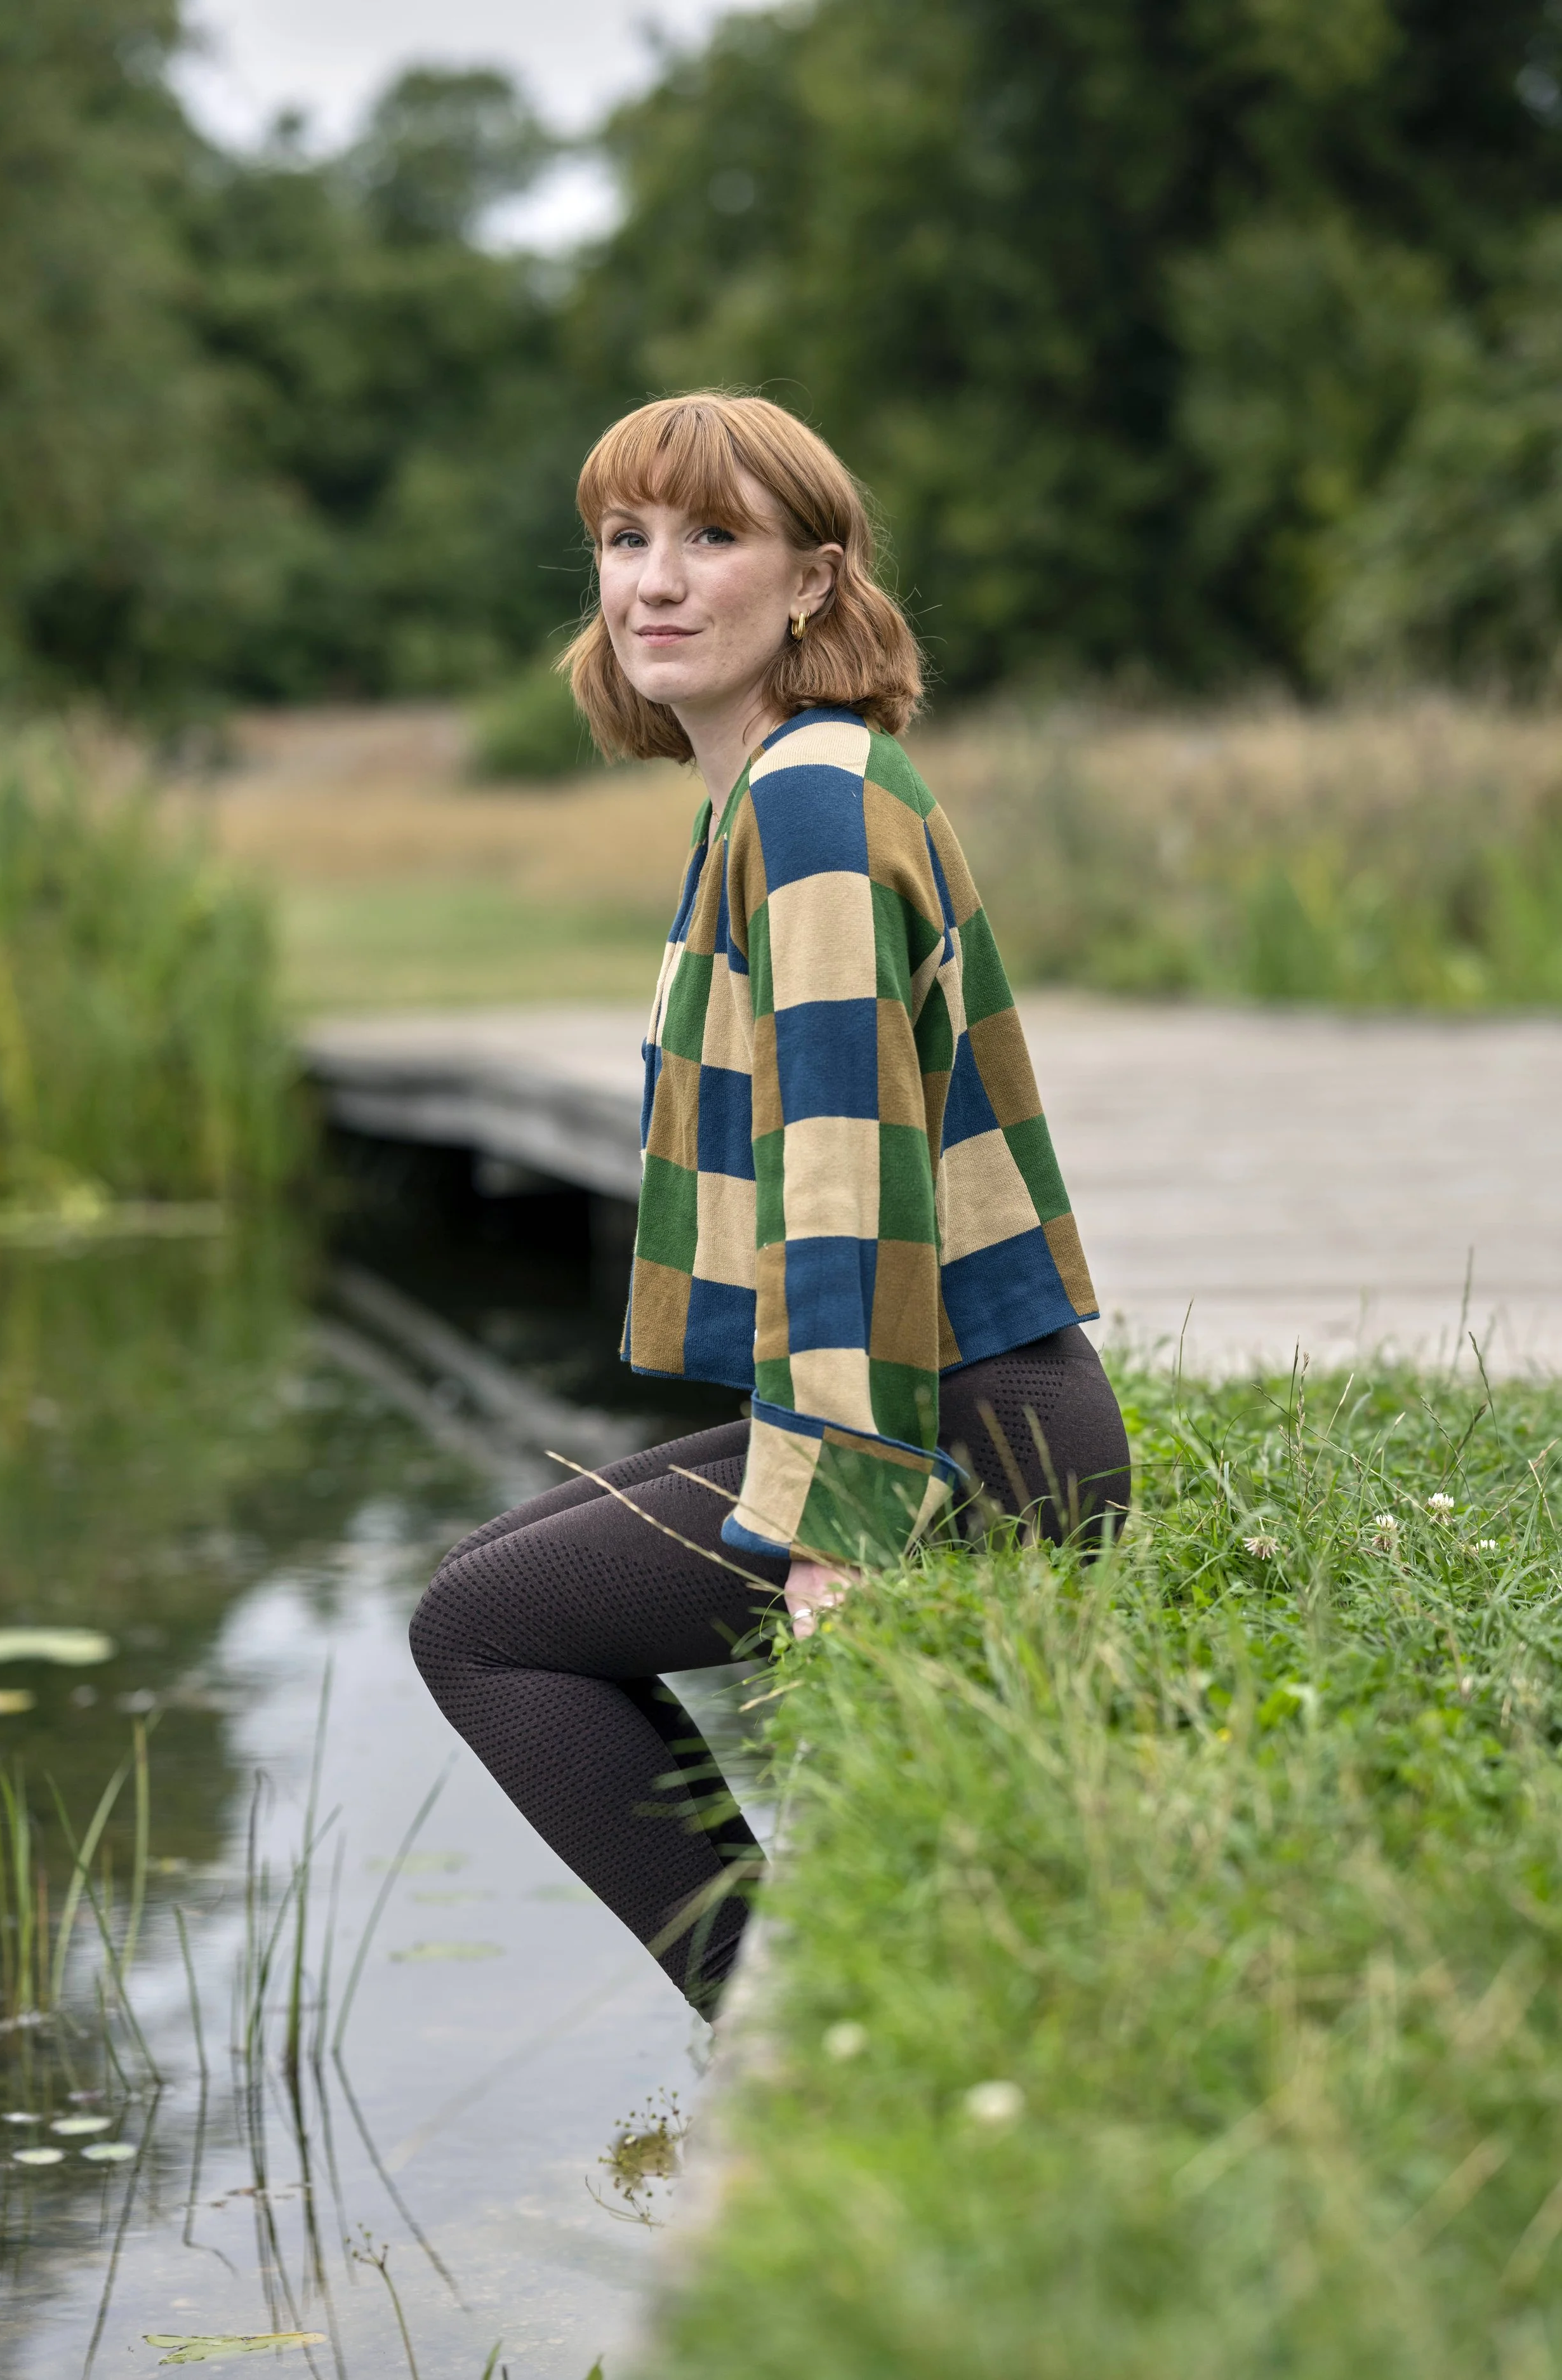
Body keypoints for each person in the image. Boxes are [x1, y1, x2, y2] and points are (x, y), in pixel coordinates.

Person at [408, 392, 1129, 2014]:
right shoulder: (767, 790)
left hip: (973, 1432)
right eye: (623, 541)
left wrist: (840, 1514)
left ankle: (778, 2021)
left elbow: (846, 1178)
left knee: (480, 1631)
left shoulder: (807, 797)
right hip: (976, 1402)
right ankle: (782, 1995)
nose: (654, 582)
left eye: (711, 538)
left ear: (810, 582)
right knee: (502, 1570)